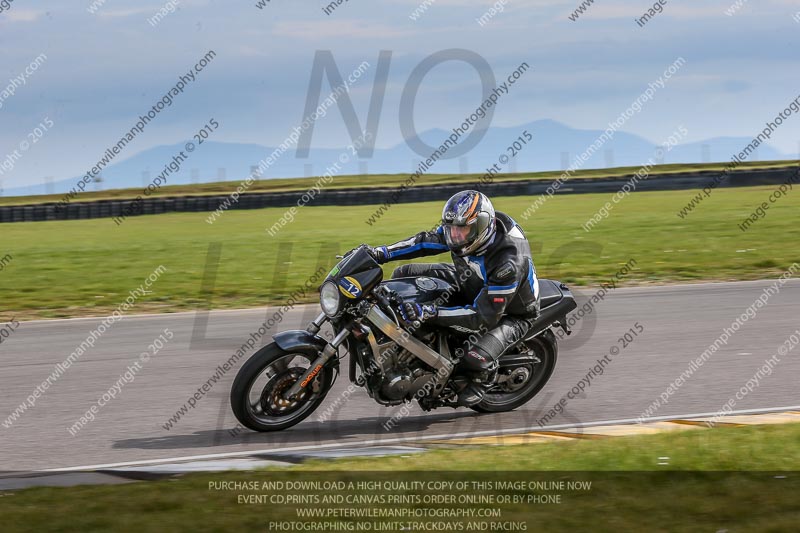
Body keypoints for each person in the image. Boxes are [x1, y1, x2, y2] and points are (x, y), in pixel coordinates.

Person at [369, 190, 540, 406]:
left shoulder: (508, 263)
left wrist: (429, 312)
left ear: (481, 227)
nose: (454, 236)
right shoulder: (465, 229)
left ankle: (484, 377)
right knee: (404, 274)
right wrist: (381, 253)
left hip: (510, 313)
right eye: (451, 229)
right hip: (470, 279)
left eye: (461, 231)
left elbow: (481, 317)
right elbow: (424, 242)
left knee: (473, 356)